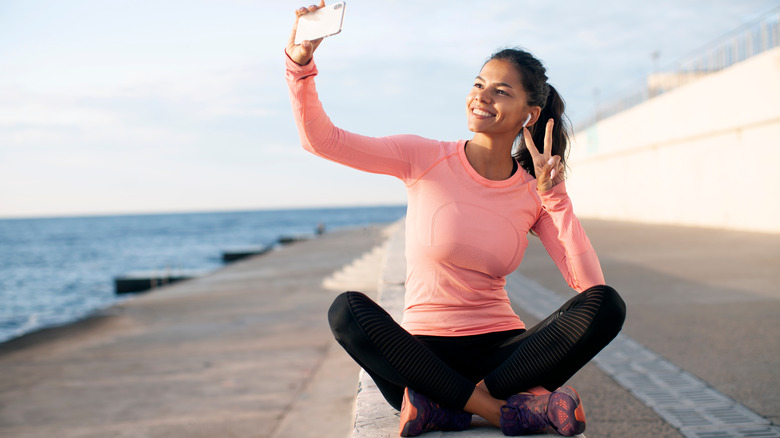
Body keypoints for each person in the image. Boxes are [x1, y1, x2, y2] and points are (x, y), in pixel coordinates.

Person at [285, 3, 626, 436]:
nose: (482, 96)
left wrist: (554, 197)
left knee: (608, 304)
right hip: (421, 358)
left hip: (502, 354)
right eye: (479, 84)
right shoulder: (422, 157)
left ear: (530, 114)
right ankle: (501, 411)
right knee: (345, 310)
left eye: (501, 91)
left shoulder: (533, 192)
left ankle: (445, 409)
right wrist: (301, 64)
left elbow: (589, 287)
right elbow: (323, 140)